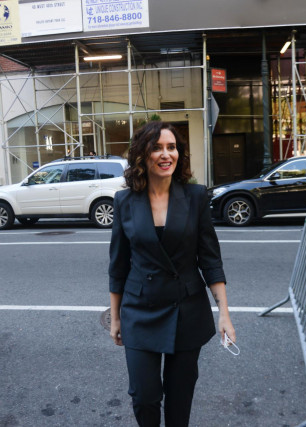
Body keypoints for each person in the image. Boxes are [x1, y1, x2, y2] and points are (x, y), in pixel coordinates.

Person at [108, 121, 236, 427]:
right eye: (157, 148)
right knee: (144, 396)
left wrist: (225, 314)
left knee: (180, 398)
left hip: (187, 310)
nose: (166, 154)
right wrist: (115, 318)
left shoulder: (194, 197)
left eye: (172, 147)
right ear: (142, 155)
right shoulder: (124, 201)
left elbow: (210, 259)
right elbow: (118, 265)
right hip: (140, 311)